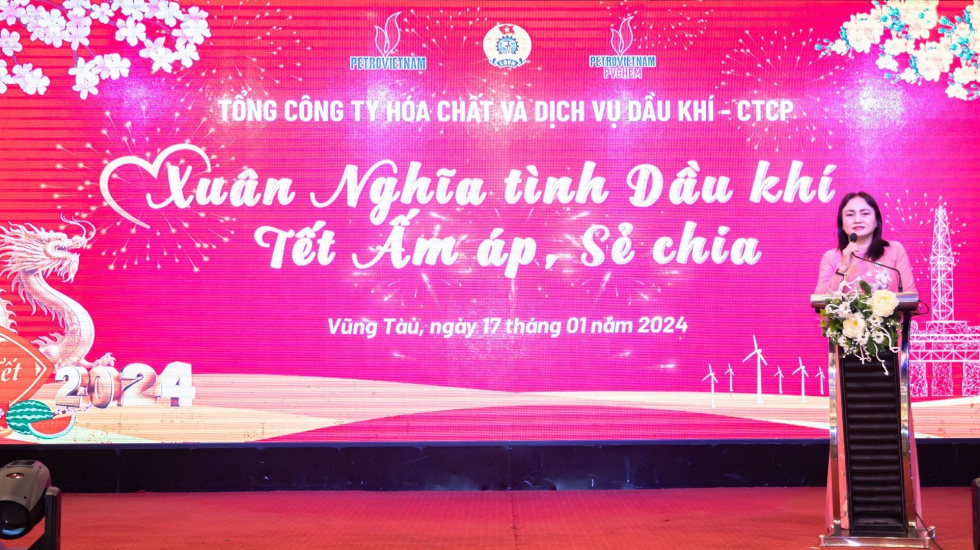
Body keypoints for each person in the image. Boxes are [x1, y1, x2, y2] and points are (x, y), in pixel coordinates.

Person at [814, 191, 922, 535]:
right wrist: (845, 264)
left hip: (888, 355)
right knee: (850, 433)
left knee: (892, 430)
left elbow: (911, 295)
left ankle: (902, 516)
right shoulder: (833, 256)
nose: (857, 219)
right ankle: (846, 517)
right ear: (841, 222)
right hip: (848, 358)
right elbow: (822, 298)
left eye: (864, 213)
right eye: (850, 214)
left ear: (876, 219)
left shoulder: (894, 252)